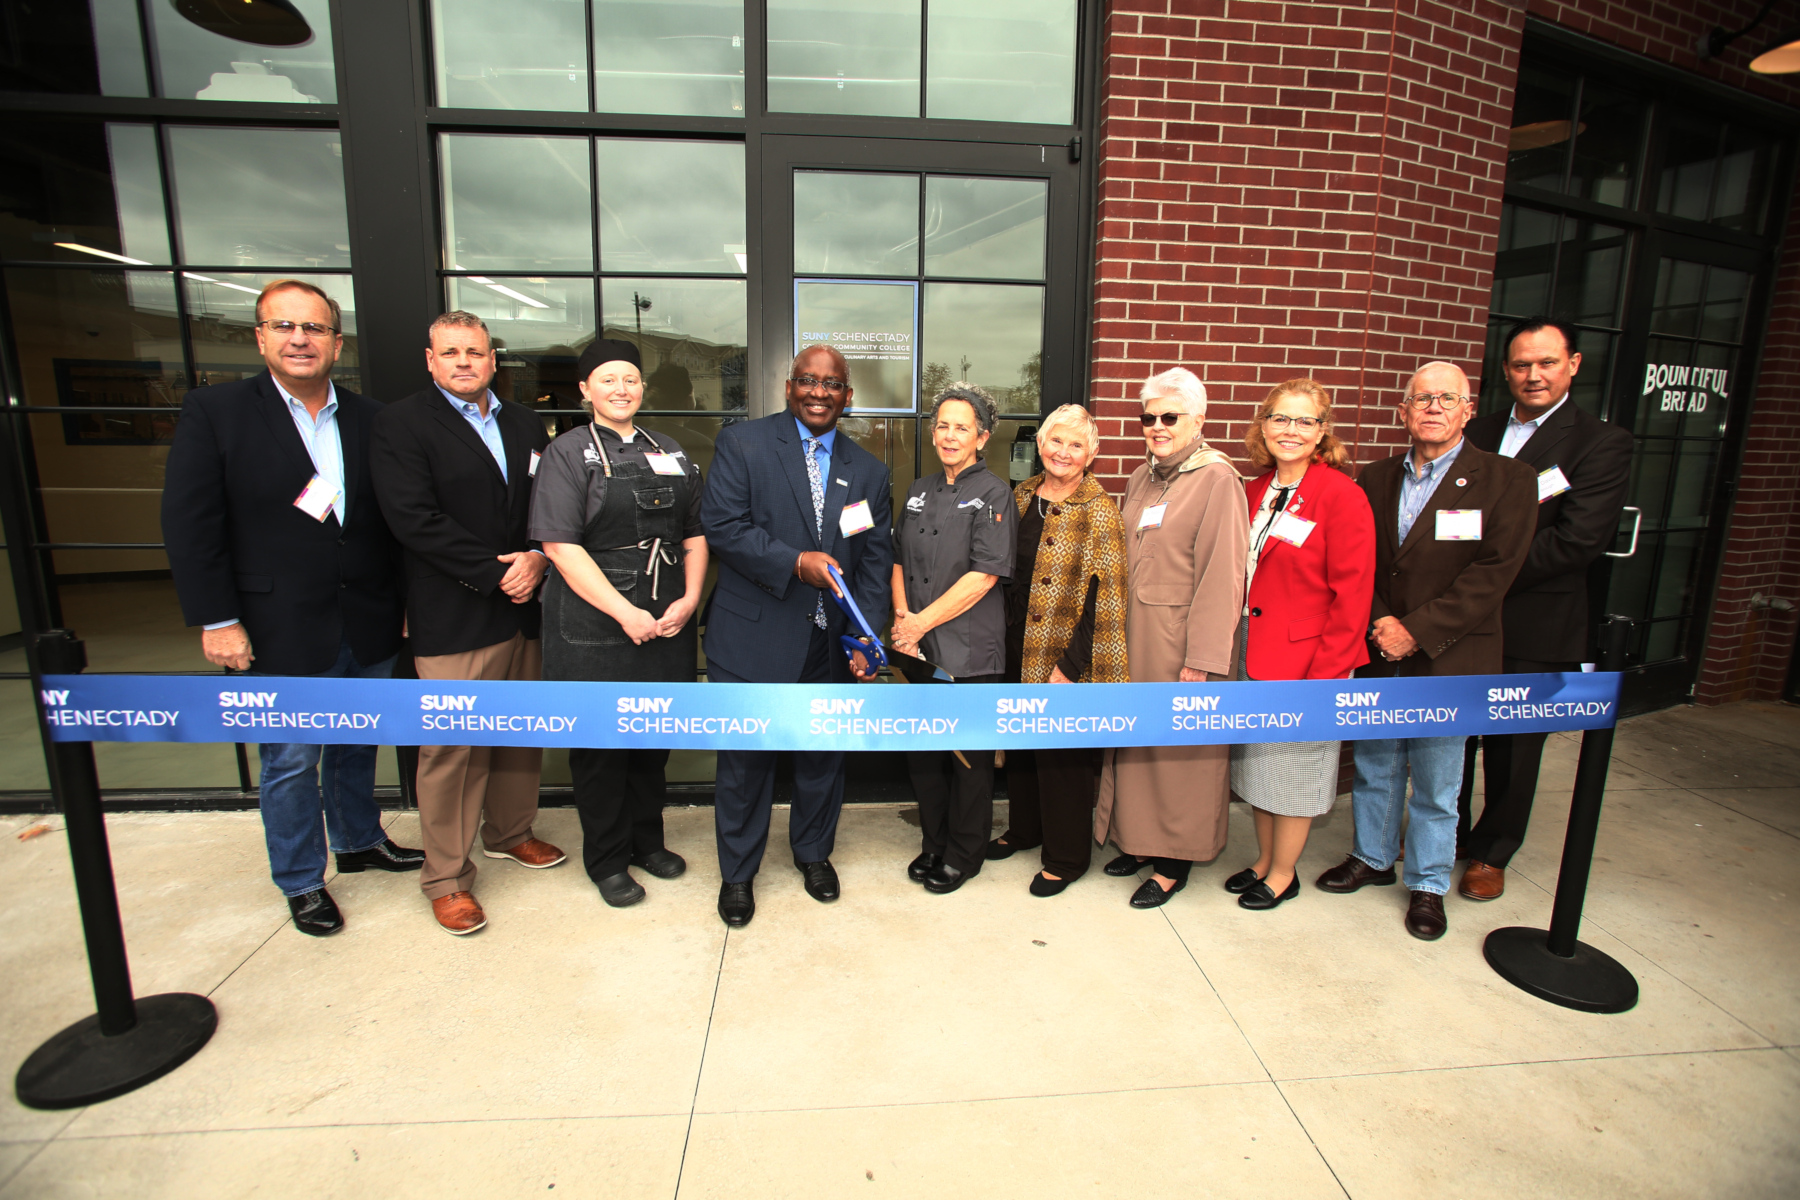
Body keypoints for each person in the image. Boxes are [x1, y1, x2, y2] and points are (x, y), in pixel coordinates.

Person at [161, 278, 419, 937]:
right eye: (284, 326)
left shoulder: (370, 418)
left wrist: (405, 605)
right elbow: (192, 525)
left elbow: (390, 523)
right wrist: (217, 619)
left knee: (358, 741)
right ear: (260, 337)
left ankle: (359, 840)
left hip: (366, 617)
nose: (300, 339)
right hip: (276, 626)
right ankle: (302, 881)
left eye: (314, 328)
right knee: (291, 759)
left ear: (337, 342)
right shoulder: (215, 412)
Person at [1315, 361, 1536, 940]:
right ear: (1403, 411)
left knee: (1440, 781)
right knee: (1376, 762)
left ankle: (1430, 884)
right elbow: (1356, 560)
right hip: (1380, 645)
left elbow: (1493, 574)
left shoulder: (1508, 480)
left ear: (1468, 410)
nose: (1433, 408)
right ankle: (1372, 856)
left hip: (1452, 651)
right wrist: (1381, 620)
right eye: (1422, 399)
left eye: (1447, 399)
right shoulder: (1376, 476)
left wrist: (1416, 628)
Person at [371, 312, 565, 937]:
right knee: (452, 747)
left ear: (491, 361)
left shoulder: (523, 421)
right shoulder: (399, 423)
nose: (464, 362)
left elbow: (544, 505)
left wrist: (538, 558)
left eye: (475, 352)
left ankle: (510, 833)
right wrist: (495, 572)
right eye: (450, 352)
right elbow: (412, 519)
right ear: (430, 360)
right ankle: (448, 879)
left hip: (525, 608)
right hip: (456, 610)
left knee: (516, 732)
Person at [701, 345, 895, 928]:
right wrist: (794, 563)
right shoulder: (745, 444)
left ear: (847, 396)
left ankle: (813, 853)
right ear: (789, 388)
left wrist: (866, 638)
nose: (819, 392)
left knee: (821, 757)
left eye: (831, 384)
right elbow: (723, 528)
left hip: (828, 643)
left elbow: (873, 561)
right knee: (744, 762)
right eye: (808, 381)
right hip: (751, 637)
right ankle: (738, 872)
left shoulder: (869, 471)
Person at [1455, 318, 1633, 900]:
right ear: (1505, 371)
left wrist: (1482, 577)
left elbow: (1577, 541)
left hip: (1534, 618)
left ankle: (1492, 850)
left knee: (1514, 744)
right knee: (1447, 732)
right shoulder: (1473, 429)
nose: (1533, 375)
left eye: (1547, 363)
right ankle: (1448, 832)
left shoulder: (1600, 443)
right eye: (1521, 365)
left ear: (1573, 365)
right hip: (1457, 615)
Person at [530, 339, 706, 908]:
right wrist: (624, 612)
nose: (621, 388)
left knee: (652, 743)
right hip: (594, 627)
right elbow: (559, 546)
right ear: (585, 390)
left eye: (630, 378)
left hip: (664, 621)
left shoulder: (671, 450)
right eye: (608, 379)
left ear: (643, 388)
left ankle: (646, 843)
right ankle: (606, 859)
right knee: (601, 750)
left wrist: (690, 599)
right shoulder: (567, 453)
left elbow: (695, 535)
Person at [1095, 368, 1249, 908]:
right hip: (1135, 637)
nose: (1156, 427)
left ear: (1198, 421)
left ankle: (1174, 860)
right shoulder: (1143, 477)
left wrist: (1204, 659)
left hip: (1182, 645)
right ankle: (1138, 841)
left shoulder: (1217, 480)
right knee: (1139, 743)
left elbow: (1223, 574)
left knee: (1179, 752)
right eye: (1148, 417)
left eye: (1169, 417)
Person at [1224, 379, 1376, 911]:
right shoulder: (1253, 490)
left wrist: (1326, 678)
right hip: (1252, 651)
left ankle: (1284, 873)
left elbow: (1353, 597)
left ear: (1322, 432)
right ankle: (1264, 860)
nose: (1290, 431)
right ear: (1263, 426)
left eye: (1304, 421)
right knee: (1260, 766)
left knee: (1296, 769)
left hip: (1311, 662)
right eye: (1280, 419)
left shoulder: (1341, 495)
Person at [986, 403, 1129, 896]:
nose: (1063, 452)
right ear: (1039, 444)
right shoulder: (1022, 494)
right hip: (1015, 642)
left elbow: (1106, 596)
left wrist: (1071, 665)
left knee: (1061, 757)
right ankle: (1026, 831)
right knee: (1024, 747)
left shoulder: (1099, 507)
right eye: (1055, 441)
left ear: (1091, 453)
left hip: (1064, 652)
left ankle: (1066, 857)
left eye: (1076, 444)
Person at [891, 385, 1017, 894]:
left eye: (961, 426)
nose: (949, 435)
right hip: (917, 648)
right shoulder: (919, 489)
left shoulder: (993, 493)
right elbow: (897, 559)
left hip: (969, 650)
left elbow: (983, 576)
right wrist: (903, 625)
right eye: (942, 424)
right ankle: (934, 842)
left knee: (968, 763)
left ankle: (964, 854)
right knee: (925, 756)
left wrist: (918, 624)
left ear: (982, 436)